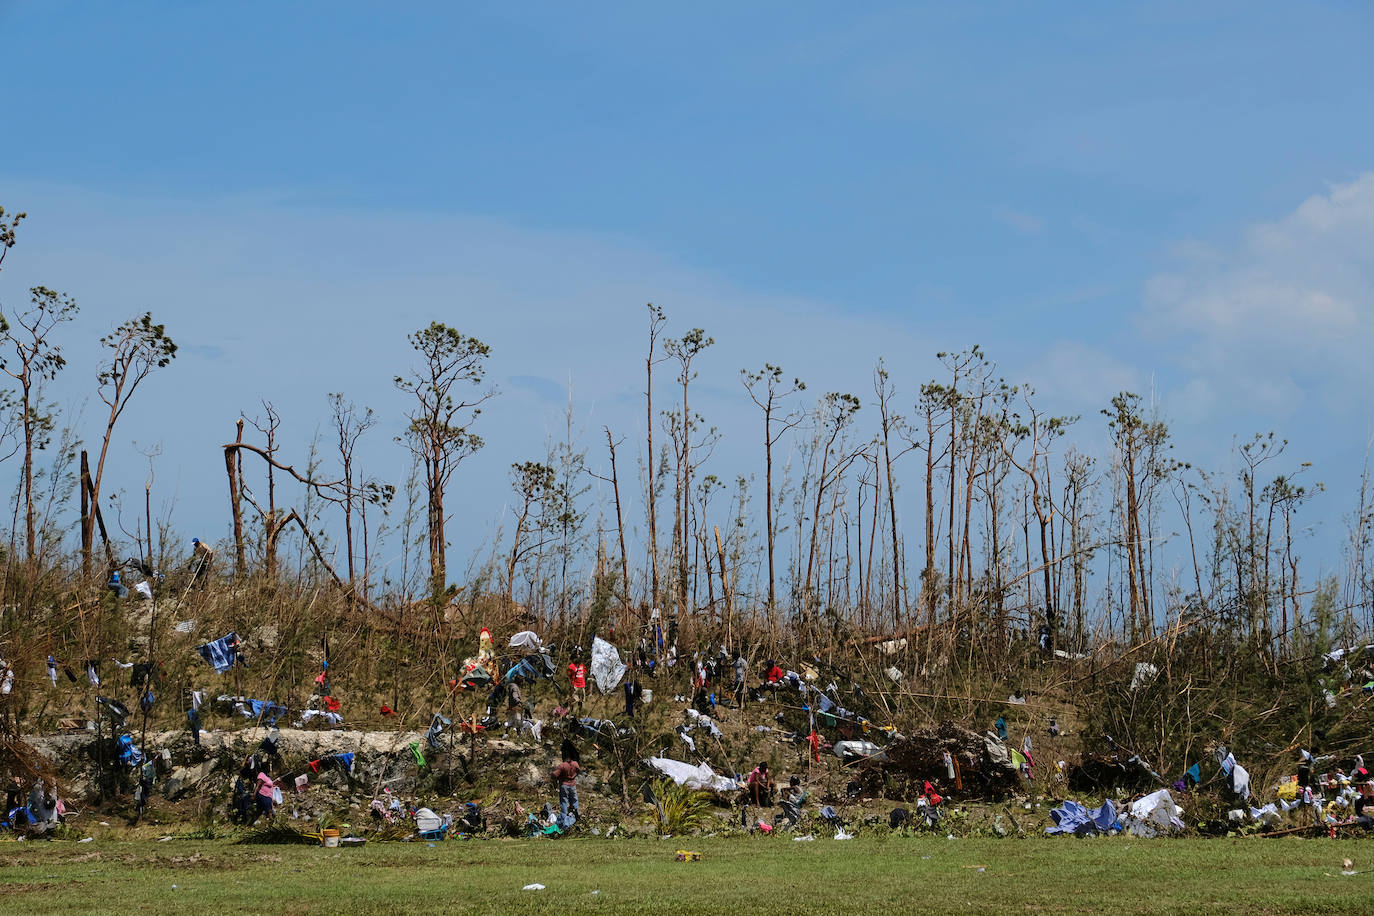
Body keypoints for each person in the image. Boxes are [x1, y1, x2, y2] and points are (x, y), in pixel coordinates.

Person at [553, 749, 581, 827]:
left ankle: (564, 820)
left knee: (564, 802)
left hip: (564, 785)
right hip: (573, 784)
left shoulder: (562, 765)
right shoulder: (575, 764)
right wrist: (574, 776)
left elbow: (555, 774)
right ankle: (576, 816)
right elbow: (579, 770)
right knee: (574, 801)